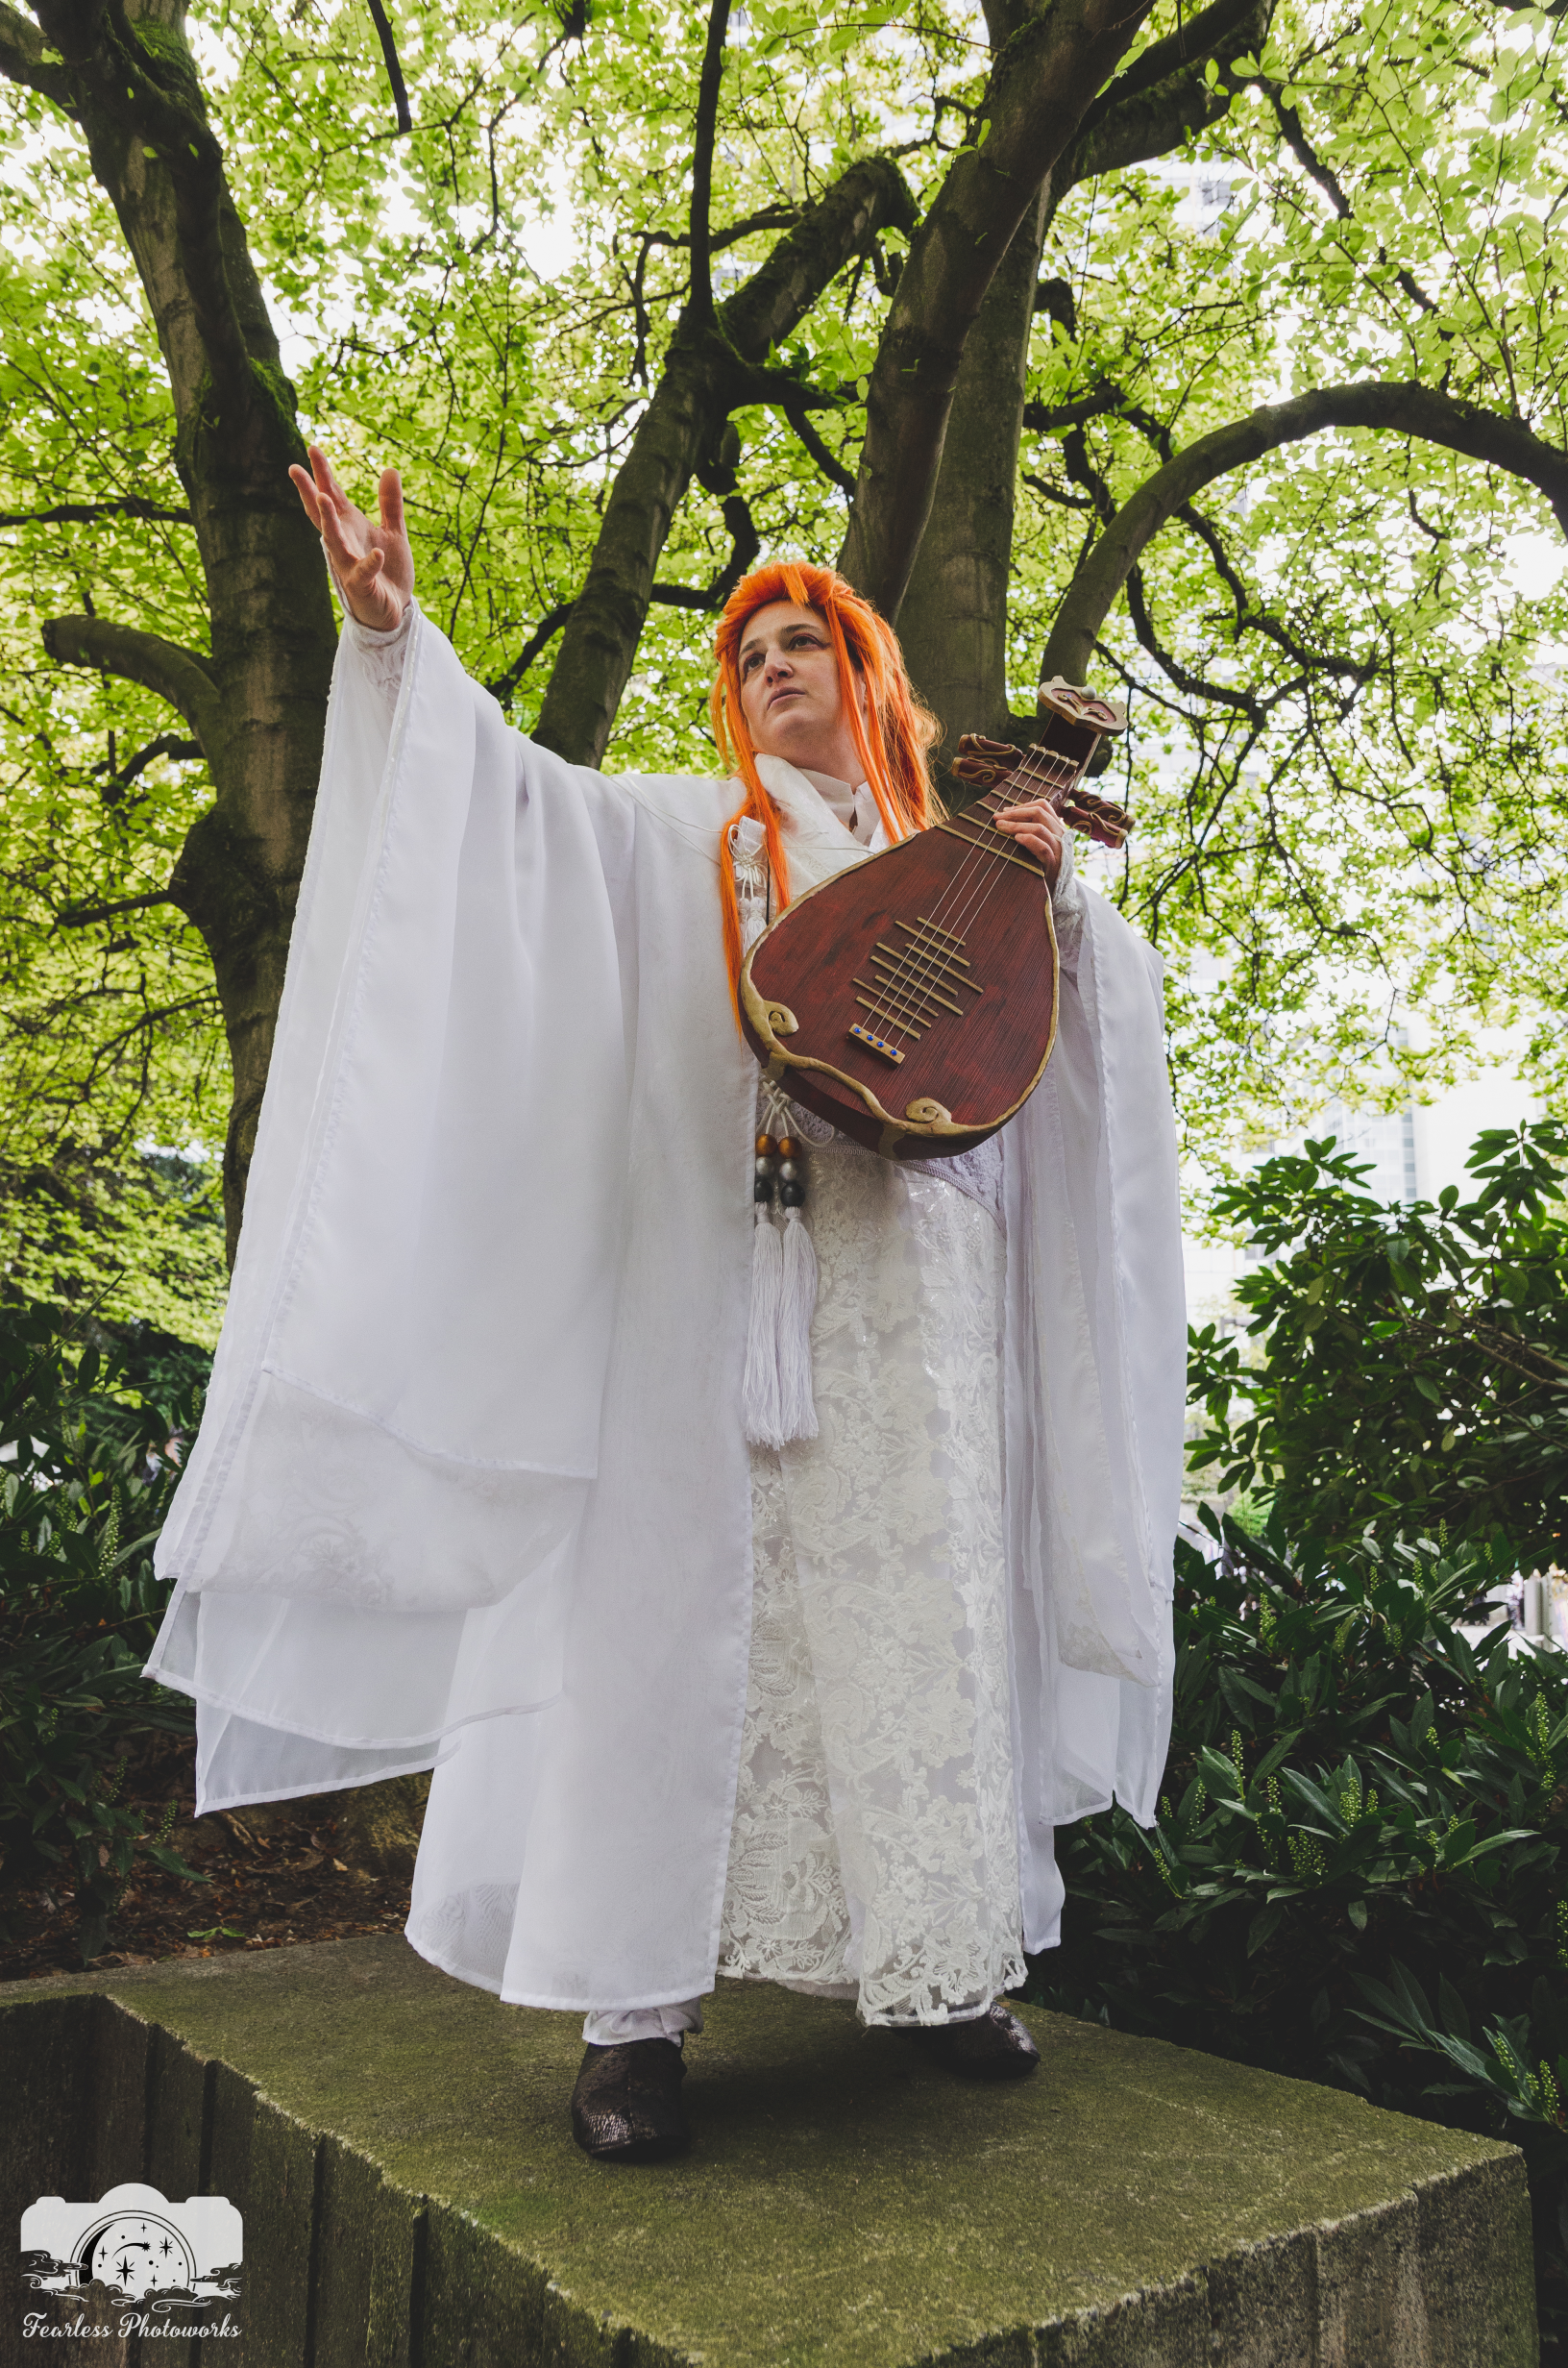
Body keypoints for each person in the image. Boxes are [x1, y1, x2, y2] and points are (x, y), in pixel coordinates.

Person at [143, 449, 1186, 2164]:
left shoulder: (963, 855)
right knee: (673, 1624)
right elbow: (504, 813)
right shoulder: (670, 832)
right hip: (711, 1287)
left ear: (871, 681)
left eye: (807, 641)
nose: (776, 665)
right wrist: (397, 641)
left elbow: (1058, 1051)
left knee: (922, 1608)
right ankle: (636, 2015)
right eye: (750, 650)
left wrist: (1055, 891)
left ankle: (938, 1965)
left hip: (916, 1311)